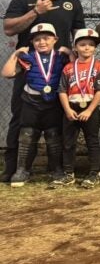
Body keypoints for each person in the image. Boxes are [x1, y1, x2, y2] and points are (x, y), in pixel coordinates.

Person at [2, 0, 85, 183]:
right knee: (20, 118)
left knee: (57, 122)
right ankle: (14, 169)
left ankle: (58, 169)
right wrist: (35, 12)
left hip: (59, 70)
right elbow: (8, 29)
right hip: (28, 69)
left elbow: (81, 36)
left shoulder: (72, 3)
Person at [2, 23, 70, 187]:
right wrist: (16, 54)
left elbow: (75, 69)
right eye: (37, 39)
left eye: (46, 38)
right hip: (31, 102)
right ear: (32, 42)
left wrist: (70, 52)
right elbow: (7, 73)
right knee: (27, 135)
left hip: (53, 102)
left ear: (55, 40)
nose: (42, 42)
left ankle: (56, 169)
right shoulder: (28, 58)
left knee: (53, 136)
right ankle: (22, 170)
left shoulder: (61, 58)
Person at [56, 29, 100, 189]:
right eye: (82, 44)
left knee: (93, 141)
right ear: (75, 47)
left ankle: (93, 173)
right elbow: (62, 90)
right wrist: (67, 109)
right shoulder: (68, 68)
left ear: (95, 48)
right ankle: (68, 174)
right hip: (71, 108)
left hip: (90, 108)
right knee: (68, 142)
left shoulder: (99, 67)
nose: (86, 48)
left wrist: (89, 110)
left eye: (91, 45)